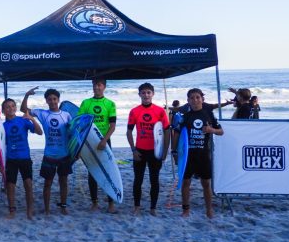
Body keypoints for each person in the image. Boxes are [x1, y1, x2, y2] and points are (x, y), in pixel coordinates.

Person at [21, 87, 72, 215]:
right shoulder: (43, 114)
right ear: (47, 101)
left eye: (55, 99)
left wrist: (76, 152)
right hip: (49, 154)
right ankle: (47, 209)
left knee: (63, 182)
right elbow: (24, 110)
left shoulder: (66, 115)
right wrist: (27, 95)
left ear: (58, 100)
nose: (53, 101)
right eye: (50, 99)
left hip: (64, 154)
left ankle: (63, 206)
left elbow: (73, 134)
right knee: (47, 183)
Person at [174, 88, 223, 219]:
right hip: (188, 156)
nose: (195, 100)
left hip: (203, 154)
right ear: (188, 100)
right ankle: (186, 210)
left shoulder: (208, 115)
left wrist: (211, 129)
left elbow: (221, 131)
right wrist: (174, 151)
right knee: (186, 183)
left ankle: (209, 210)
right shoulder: (185, 117)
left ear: (202, 99)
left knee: (206, 183)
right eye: (192, 98)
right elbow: (177, 134)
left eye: (197, 97)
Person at [126, 83, 170, 216]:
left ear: (153, 94)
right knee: (137, 180)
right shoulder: (134, 111)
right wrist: (133, 150)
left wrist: (164, 151)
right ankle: (137, 207)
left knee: (154, 180)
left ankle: (153, 208)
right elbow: (128, 132)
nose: (146, 95)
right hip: (140, 151)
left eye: (148, 92)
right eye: (143, 93)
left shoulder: (160, 111)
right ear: (139, 94)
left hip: (155, 152)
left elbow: (167, 132)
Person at [78, 77, 117, 213]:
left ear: (104, 86)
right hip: (89, 142)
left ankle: (111, 202)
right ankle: (94, 203)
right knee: (92, 172)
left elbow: (112, 126)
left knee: (109, 171)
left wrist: (104, 140)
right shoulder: (86, 103)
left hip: (105, 140)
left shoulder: (110, 104)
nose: (97, 87)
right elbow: (80, 123)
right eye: (95, 85)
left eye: (99, 85)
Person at [2, 98, 42, 219]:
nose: (11, 109)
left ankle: (30, 210)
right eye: (7, 107)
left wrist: (32, 119)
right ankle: (12, 210)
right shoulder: (2, 126)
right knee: (10, 186)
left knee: (28, 184)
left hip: (24, 157)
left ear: (15, 108)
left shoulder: (23, 121)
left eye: (13, 106)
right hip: (11, 159)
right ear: (3, 111)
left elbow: (40, 132)